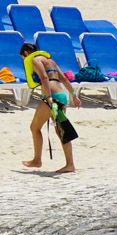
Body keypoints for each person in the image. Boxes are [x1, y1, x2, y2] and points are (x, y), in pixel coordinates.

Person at [20, 42, 80, 174]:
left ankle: (37, 160)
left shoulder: (35, 60)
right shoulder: (50, 61)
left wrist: (47, 97)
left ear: (26, 53)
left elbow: (44, 77)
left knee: (34, 127)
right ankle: (70, 164)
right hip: (62, 95)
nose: (24, 60)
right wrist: (74, 96)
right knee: (61, 130)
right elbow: (63, 78)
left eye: (23, 58)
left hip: (51, 97)